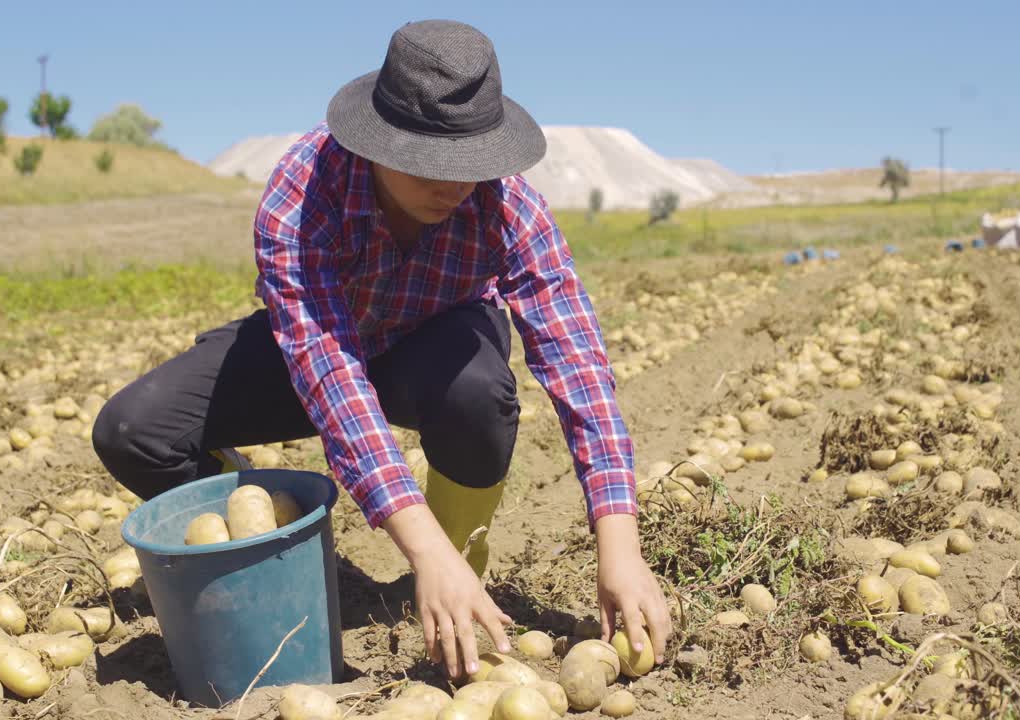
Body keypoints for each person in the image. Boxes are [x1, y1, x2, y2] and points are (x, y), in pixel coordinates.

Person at [92, 18, 671, 679]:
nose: (455, 184)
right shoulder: (302, 195)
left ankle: (456, 573)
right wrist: (414, 543)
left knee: (479, 390)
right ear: (378, 141)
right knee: (132, 430)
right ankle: (267, 531)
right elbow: (331, 377)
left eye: (472, 161)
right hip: (321, 347)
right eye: (431, 161)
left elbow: (577, 360)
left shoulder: (508, 206)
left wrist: (619, 542)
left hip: (433, 351)